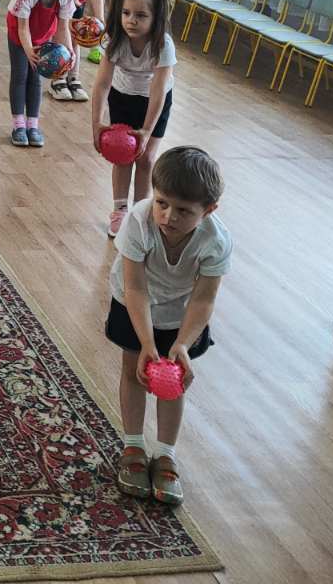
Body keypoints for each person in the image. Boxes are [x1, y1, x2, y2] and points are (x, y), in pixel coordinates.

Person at [108, 145, 229, 508]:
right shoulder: (138, 221)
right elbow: (135, 287)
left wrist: (182, 344)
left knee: (173, 382)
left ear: (209, 210)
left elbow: (204, 299)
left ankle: (165, 454)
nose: (168, 216)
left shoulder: (216, 241)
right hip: (133, 302)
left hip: (181, 311)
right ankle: (133, 445)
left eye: (184, 211)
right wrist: (147, 342)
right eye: (161, 203)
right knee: (134, 370)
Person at [89, 0, 175, 235]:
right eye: (126, 13)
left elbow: (158, 90)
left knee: (146, 158)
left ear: (155, 17)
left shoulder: (163, 45)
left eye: (140, 15)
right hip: (123, 97)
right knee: (122, 154)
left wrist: (147, 130)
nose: (131, 21)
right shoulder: (115, 40)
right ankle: (120, 211)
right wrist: (96, 124)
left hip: (154, 102)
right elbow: (102, 84)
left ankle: (139, 214)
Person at [5, 0, 77, 149]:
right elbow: (22, 29)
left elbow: (62, 28)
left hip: (43, 37)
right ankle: (18, 125)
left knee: (36, 80)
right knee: (20, 76)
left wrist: (69, 51)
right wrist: (29, 51)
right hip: (20, 37)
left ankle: (33, 126)